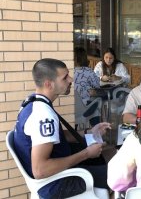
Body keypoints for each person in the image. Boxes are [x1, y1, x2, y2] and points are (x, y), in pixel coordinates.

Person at [13, 58, 111, 199]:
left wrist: (89, 132)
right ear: (49, 84)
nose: (71, 79)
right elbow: (40, 170)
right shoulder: (43, 115)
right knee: (115, 172)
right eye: (65, 77)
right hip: (55, 184)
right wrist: (86, 154)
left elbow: (58, 136)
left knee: (106, 152)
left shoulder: (32, 102)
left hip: (57, 171)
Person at [74, 47, 101, 126]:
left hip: (70, 108)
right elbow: (97, 85)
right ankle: (96, 134)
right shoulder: (88, 71)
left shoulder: (68, 71)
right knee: (96, 108)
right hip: (84, 109)